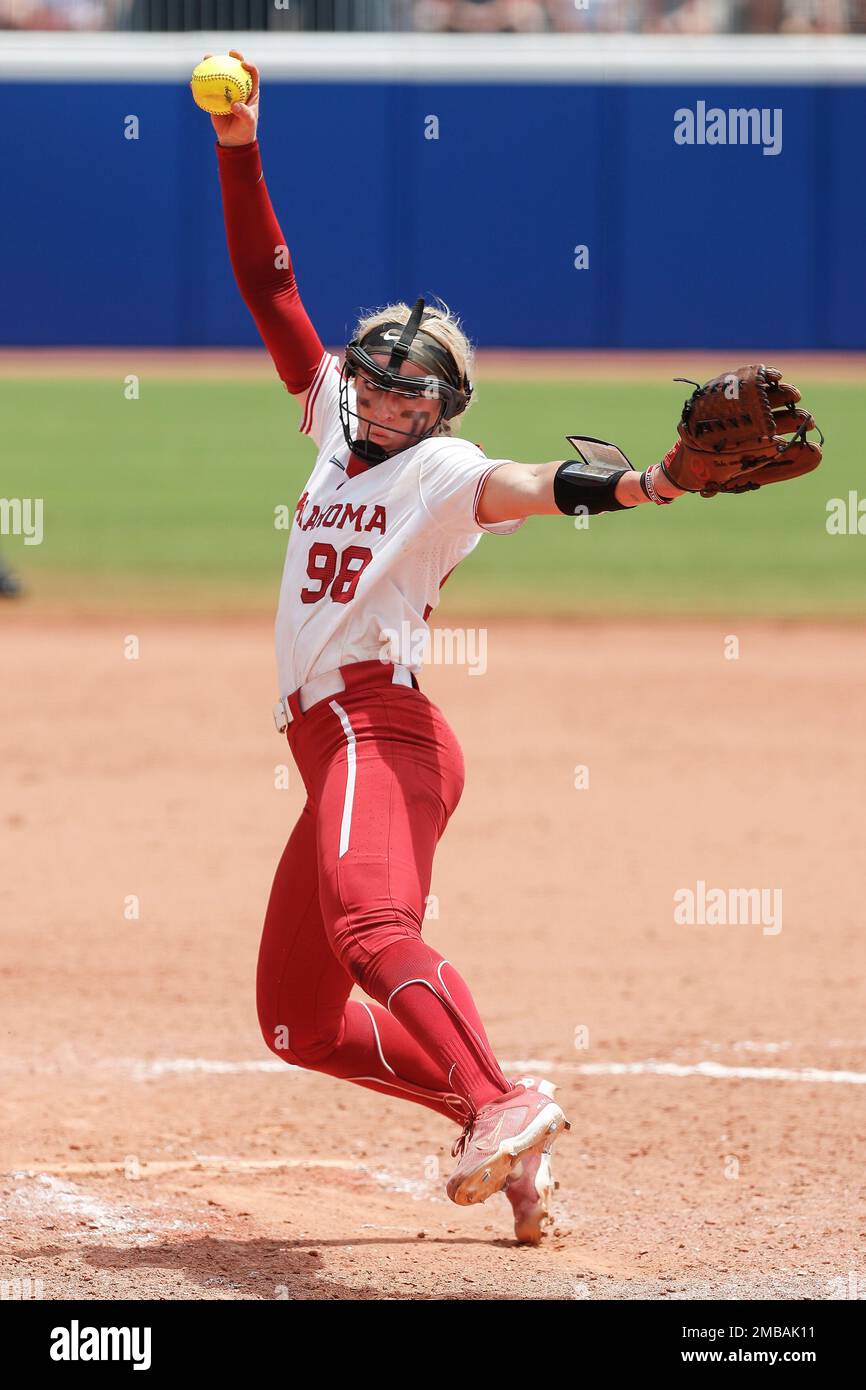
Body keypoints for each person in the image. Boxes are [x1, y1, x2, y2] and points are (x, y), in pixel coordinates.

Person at [204, 51, 690, 1244]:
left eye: (408, 396)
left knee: (374, 934)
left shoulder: (447, 473)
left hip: (382, 727)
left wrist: (641, 483)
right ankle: (504, 1128)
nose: (381, 406)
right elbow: (272, 294)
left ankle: (498, 1097)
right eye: (371, 385)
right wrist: (238, 143)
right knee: (296, 1024)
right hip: (332, 747)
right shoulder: (326, 429)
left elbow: (532, 483)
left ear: (443, 407)